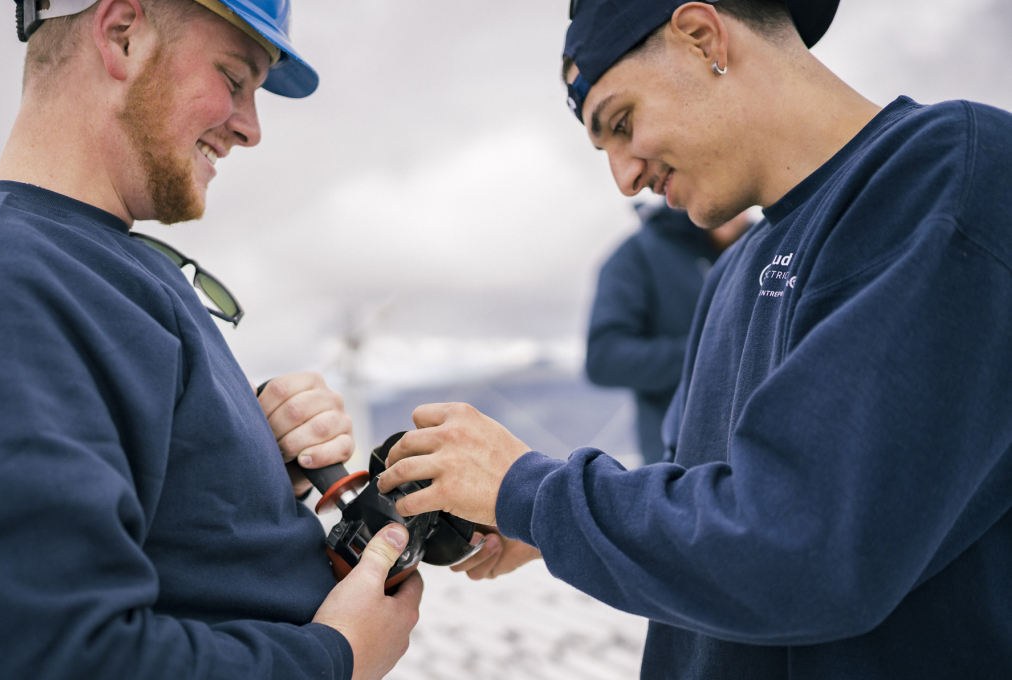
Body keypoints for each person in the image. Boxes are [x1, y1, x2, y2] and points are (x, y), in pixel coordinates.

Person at [376, 0, 1012, 677]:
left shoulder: (950, 174)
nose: (625, 178)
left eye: (622, 122)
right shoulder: (734, 271)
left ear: (703, 38)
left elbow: (801, 545)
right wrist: (547, 524)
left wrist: (529, 492)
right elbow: (709, 499)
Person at [0, 1, 421, 679]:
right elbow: (34, 658)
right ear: (122, 35)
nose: (251, 128)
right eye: (234, 78)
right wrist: (336, 657)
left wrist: (250, 465)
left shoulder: (90, 267)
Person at [586, 203, 751, 465]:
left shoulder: (769, 242)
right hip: (678, 462)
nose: (734, 209)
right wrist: (714, 352)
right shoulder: (639, 253)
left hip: (760, 454)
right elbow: (603, 357)